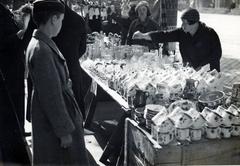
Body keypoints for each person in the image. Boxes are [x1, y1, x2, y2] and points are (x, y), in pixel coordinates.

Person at [26, 0, 89, 165]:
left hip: (49, 118)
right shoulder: (42, 50)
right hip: (53, 124)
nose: (61, 24)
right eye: (60, 19)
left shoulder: (41, 42)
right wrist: (64, 131)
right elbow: (51, 96)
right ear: (53, 19)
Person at [133, 8, 222, 71]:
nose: (182, 26)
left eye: (185, 23)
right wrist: (144, 35)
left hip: (209, 73)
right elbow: (164, 35)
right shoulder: (182, 32)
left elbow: (217, 54)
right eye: (182, 22)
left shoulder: (210, 33)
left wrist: (202, 67)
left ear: (194, 23)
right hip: (190, 71)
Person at [0, 1, 31, 165]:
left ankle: (18, 136)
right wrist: (19, 34)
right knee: (12, 104)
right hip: (7, 69)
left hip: (13, 67)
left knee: (17, 102)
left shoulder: (4, 10)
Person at [53, 0, 88, 119]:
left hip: (53, 67)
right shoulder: (78, 19)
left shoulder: (48, 17)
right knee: (75, 108)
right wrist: (72, 57)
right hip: (72, 67)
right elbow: (83, 48)